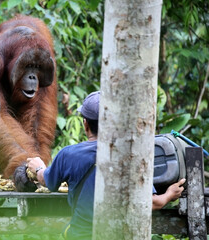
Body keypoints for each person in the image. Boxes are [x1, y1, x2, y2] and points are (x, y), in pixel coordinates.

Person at [27, 91, 185, 239]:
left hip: (80, 235)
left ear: (85, 125)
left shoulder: (68, 155)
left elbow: (46, 181)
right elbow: (152, 203)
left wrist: (39, 168)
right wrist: (170, 195)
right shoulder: (130, 156)